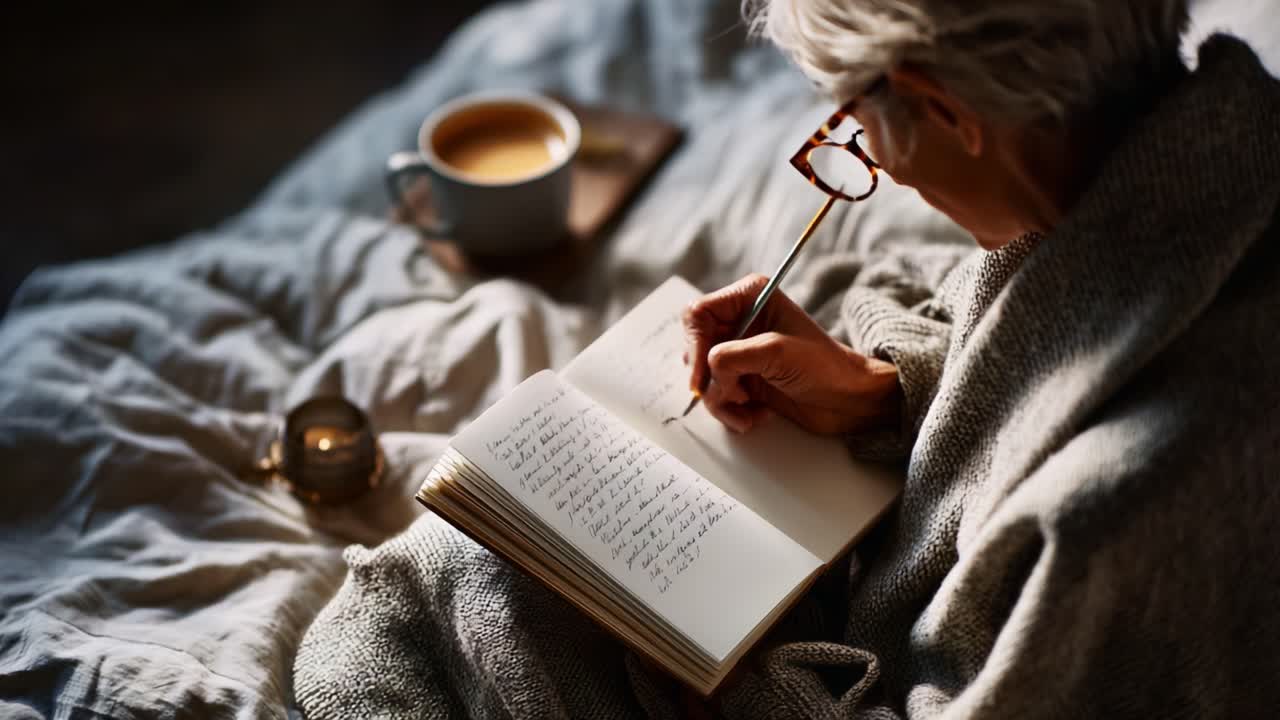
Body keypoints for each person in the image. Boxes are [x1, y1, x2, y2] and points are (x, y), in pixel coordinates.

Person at [293, 1, 1280, 717]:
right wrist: (884, 392)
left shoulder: (1134, 512)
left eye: (852, 123)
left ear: (940, 111)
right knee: (462, 573)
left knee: (436, 602)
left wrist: (725, 655)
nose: (864, 162)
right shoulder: (1186, 156)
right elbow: (1028, 322)